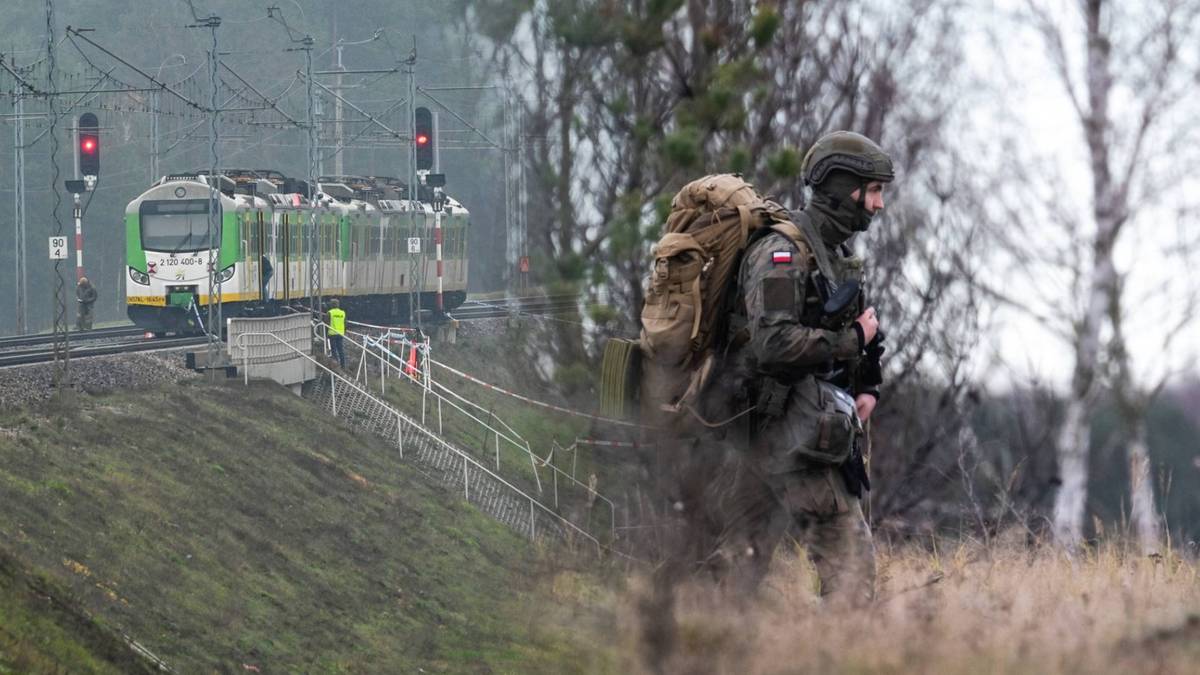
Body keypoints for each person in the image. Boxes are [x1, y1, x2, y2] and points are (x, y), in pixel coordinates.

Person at [706, 131, 893, 607]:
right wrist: (853, 341)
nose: (879, 204)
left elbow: (831, 334)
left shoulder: (835, 256)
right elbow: (774, 344)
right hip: (778, 432)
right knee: (851, 573)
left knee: (734, 577)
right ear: (841, 186)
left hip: (789, 433)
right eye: (873, 191)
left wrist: (864, 379)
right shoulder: (782, 253)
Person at [327, 298, 347, 368]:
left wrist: (325, 333)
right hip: (340, 333)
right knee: (340, 349)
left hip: (332, 333)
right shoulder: (342, 313)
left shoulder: (330, 312)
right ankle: (343, 365)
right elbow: (345, 323)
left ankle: (336, 363)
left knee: (333, 349)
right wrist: (344, 331)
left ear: (331, 305)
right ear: (338, 305)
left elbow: (327, 323)